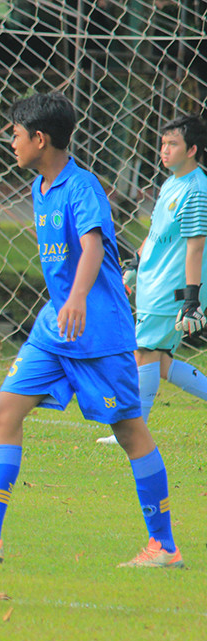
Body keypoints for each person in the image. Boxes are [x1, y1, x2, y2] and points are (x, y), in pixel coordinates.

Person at [0, 92, 182, 567]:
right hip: (55, 327)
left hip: (99, 332)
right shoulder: (40, 187)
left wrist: (80, 297)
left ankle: (163, 546)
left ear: (40, 139)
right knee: (4, 411)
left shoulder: (82, 187)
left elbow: (90, 249)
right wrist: (67, 304)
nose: (11, 143)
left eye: (16, 135)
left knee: (128, 430)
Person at [95, 115, 207, 446]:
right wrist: (136, 262)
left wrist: (191, 299)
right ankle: (135, 428)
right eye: (163, 144)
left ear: (193, 150)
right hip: (152, 285)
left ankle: (134, 432)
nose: (164, 150)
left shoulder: (197, 189)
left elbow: (196, 248)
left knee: (142, 354)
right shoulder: (171, 183)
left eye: (173, 144)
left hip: (169, 292)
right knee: (160, 363)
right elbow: (157, 232)